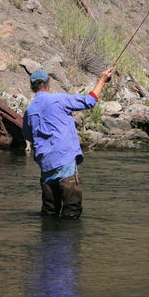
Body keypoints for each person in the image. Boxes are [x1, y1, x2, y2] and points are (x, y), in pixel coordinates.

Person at [22, 66, 114, 219]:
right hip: (65, 163)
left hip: (45, 166)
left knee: (49, 214)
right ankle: (67, 242)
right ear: (48, 83)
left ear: (32, 87)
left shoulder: (29, 110)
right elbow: (90, 101)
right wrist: (102, 80)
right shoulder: (60, 99)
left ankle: (49, 242)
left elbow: (28, 135)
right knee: (72, 213)